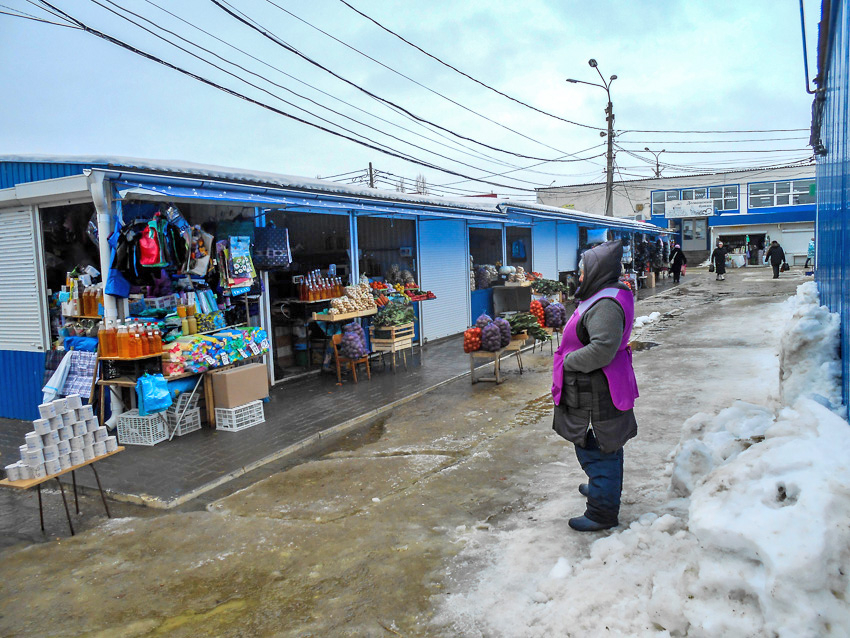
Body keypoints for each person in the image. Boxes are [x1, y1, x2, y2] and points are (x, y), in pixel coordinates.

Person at [551, 240, 639, 532]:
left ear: (597, 270)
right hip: (594, 389)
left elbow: (603, 348)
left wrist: (569, 362)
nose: (579, 276)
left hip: (596, 392)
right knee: (602, 448)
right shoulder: (603, 295)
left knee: (599, 448)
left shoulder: (606, 305)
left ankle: (602, 512)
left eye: (582, 270)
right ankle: (601, 487)